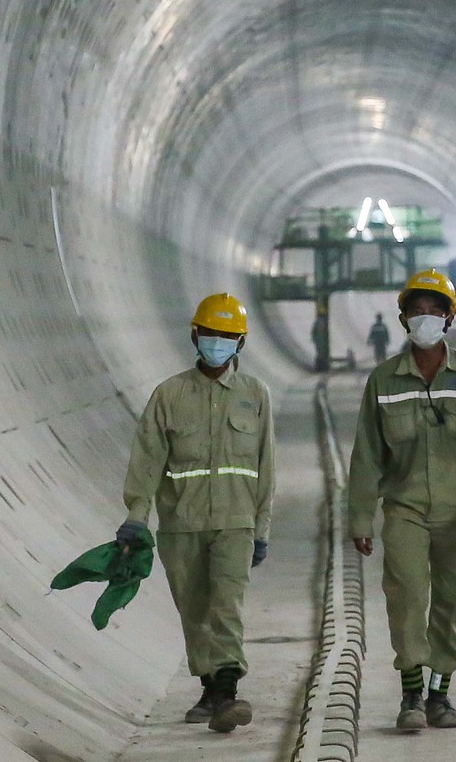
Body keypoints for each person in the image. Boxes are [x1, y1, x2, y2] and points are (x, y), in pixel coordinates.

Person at [346, 269, 456, 733]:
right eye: (416, 311)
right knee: (407, 598)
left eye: (434, 310)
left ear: (449, 316)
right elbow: (368, 454)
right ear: (402, 319)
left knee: (449, 604)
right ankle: (411, 693)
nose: (425, 318)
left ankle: (441, 695)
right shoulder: (384, 382)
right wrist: (361, 517)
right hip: (406, 510)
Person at [117, 294, 274, 733]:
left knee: (226, 606)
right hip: (181, 525)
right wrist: (136, 516)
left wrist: (261, 528)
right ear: (195, 335)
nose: (217, 343)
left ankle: (227, 693)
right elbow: (147, 461)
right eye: (210, 334)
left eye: (226, 337)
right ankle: (208, 686)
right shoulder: (169, 395)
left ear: (240, 343)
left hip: (235, 523)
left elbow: (266, 466)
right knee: (194, 610)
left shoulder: (254, 395)